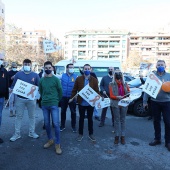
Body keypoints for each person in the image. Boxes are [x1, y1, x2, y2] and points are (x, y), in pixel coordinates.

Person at [10, 59, 40, 142]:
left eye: (28, 64)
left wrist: (37, 95)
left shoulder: (35, 75)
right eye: (25, 64)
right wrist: (11, 89)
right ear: (23, 64)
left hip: (31, 100)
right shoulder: (18, 74)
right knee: (18, 116)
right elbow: (13, 85)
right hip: (20, 99)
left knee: (32, 116)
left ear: (31, 65)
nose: (27, 65)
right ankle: (17, 134)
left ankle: (31, 132)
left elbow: (39, 86)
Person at [143, 60, 170, 151]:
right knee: (156, 121)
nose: (160, 66)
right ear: (156, 66)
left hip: (167, 102)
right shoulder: (152, 77)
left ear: (165, 66)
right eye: (158, 65)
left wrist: (166, 88)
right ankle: (157, 139)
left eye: (162, 65)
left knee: (168, 122)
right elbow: (146, 90)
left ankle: (168, 142)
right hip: (155, 102)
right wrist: (144, 101)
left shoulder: (169, 76)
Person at [70, 64, 100, 142]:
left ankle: (91, 134)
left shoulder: (94, 80)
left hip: (90, 103)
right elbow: (74, 89)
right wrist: (71, 98)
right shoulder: (78, 79)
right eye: (85, 69)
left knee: (90, 119)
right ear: (83, 70)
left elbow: (97, 91)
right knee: (81, 119)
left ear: (90, 70)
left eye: (88, 69)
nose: (86, 70)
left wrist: (98, 98)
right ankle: (80, 134)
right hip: (81, 103)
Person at [39, 61, 62, 155]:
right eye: (46, 68)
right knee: (47, 124)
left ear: (52, 68)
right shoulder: (41, 80)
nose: (48, 69)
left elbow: (60, 91)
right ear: (44, 68)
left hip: (53, 104)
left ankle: (57, 144)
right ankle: (50, 140)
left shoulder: (56, 79)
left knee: (56, 124)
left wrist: (56, 100)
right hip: (44, 104)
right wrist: (44, 99)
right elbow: (40, 91)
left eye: (49, 68)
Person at [109, 71, 130, 145]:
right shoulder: (111, 84)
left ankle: (123, 136)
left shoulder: (125, 84)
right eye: (117, 76)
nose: (119, 78)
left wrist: (128, 94)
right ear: (115, 76)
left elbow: (128, 92)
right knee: (117, 120)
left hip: (124, 104)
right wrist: (117, 97)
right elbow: (111, 95)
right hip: (115, 104)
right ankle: (116, 136)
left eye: (120, 76)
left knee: (123, 120)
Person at [60, 63, 77, 132]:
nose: (71, 69)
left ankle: (73, 126)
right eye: (70, 67)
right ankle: (62, 125)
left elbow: (78, 87)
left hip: (72, 98)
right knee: (63, 112)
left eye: (73, 67)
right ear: (67, 68)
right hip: (63, 97)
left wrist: (75, 96)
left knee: (73, 112)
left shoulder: (76, 76)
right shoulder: (62, 76)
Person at [0, 53, 9, 143]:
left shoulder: (4, 71)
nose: (1, 61)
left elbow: (6, 84)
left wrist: (6, 96)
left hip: (1, 97)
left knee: (0, 117)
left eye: (2, 59)